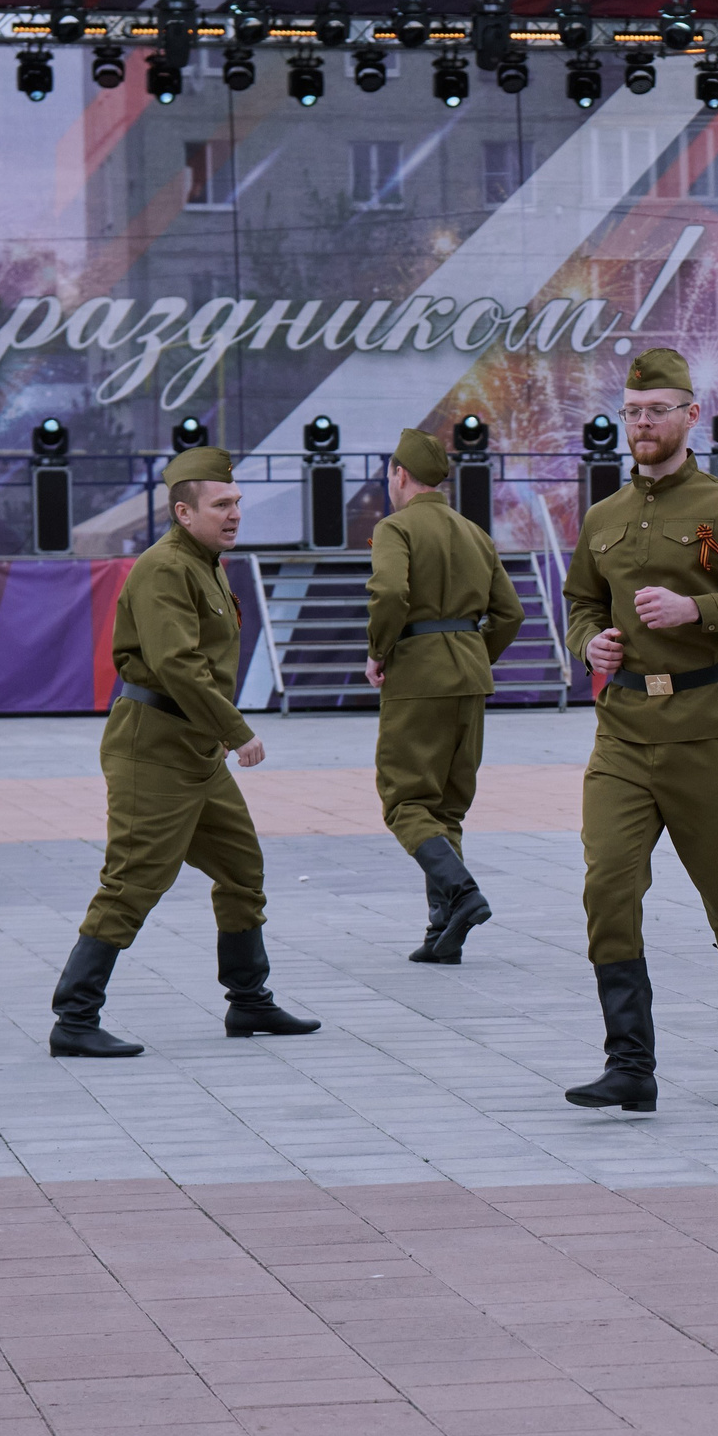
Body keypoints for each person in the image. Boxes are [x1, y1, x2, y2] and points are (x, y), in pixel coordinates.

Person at [561, 349, 718, 1113]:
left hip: (710, 729)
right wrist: (587, 642)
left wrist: (703, 610)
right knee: (607, 884)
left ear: (691, 415)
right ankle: (630, 1062)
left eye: (657, 410)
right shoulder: (605, 516)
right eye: (631, 411)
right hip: (626, 729)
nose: (642, 424)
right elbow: (582, 604)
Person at [50, 447, 318, 1057]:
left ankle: (248, 1003)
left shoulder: (207, 561)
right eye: (221, 505)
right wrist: (236, 731)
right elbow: (177, 664)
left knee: (241, 870)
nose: (234, 515)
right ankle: (74, 1018)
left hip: (192, 748)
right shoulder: (166, 567)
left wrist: (215, 736)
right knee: (135, 879)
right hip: (155, 745)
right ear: (183, 511)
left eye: (237, 504)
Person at [365, 427, 526, 964]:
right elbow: (511, 614)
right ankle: (443, 933)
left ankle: (461, 894)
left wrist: (379, 649)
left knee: (406, 801)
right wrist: (476, 654)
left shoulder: (396, 527)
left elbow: (390, 592)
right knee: (447, 807)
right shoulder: (475, 532)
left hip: (418, 677)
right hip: (471, 678)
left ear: (400, 475)